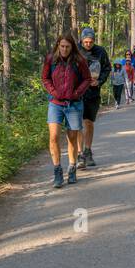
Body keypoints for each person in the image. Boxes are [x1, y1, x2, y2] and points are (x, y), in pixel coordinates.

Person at [41, 34, 90, 188]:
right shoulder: (51, 59)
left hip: (74, 104)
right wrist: (53, 92)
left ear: (72, 47)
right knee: (53, 137)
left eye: (67, 46)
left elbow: (87, 79)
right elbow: (45, 78)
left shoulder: (79, 60)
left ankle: (72, 167)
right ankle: (57, 171)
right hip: (55, 103)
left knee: (72, 138)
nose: (64, 49)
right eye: (62, 46)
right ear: (58, 45)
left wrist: (76, 93)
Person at [78, 27, 111, 168]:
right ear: (81, 40)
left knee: (89, 123)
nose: (88, 44)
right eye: (86, 42)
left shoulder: (100, 52)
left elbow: (107, 68)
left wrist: (99, 81)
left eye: (91, 42)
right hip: (77, 93)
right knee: (77, 124)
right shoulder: (75, 51)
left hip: (93, 92)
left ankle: (88, 151)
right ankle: (79, 154)